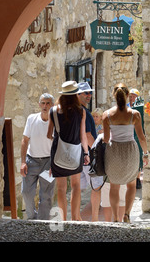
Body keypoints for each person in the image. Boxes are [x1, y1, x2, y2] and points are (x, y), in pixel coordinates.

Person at [102, 83, 149, 222]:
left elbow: (105, 139)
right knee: (131, 184)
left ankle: (116, 217)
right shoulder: (135, 114)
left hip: (114, 150)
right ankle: (127, 214)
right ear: (128, 96)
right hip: (130, 150)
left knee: (114, 186)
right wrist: (145, 154)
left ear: (114, 96)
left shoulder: (107, 115)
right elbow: (141, 137)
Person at [47, 80, 90, 221]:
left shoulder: (53, 111)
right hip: (76, 152)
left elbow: (49, 134)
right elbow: (83, 135)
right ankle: (76, 217)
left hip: (57, 154)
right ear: (75, 95)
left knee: (60, 188)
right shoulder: (81, 111)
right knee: (76, 185)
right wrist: (86, 153)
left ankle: (63, 219)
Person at [20, 93, 56, 220]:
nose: (45, 106)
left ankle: (43, 223)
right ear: (39, 104)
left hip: (48, 163)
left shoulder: (56, 122)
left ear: (52, 105)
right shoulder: (31, 119)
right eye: (43, 103)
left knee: (46, 195)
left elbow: (59, 144)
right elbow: (25, 140)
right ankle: (32, 218)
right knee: (26, 192)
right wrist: (23, 162)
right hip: (32, 161)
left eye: (48, 103)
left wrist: (54, 165)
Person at [77, 82, 104, 221]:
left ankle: (76, 218)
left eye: (90, 92)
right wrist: (97, 152)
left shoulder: (74, 111)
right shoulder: (85, 113)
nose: (89, 95)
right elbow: (88, 135)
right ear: (78, 94)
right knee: (96, 187)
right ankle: (94, 219)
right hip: (88, 157)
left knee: (77, 189)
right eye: (85, 93)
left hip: (77, 157)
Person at [127, 88, 144, 189]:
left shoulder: (140, 108)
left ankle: (137, 178)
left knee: (138, 157)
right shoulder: (126, 107)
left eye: (133, 96)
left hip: (137, 135)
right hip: (128, 135)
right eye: (130, 96)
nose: (131, 98)